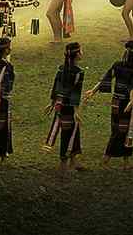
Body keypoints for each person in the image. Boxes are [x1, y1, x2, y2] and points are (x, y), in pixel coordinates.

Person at [86, 40, 133, 168]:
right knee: (124, 131)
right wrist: (131, 101)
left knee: (118, 130)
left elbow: (106, 78)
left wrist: (93, 90)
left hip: (115, 102)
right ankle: (106, 159)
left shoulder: (118, 65)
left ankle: (126, 162)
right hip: (125, 102)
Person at [44, 42, 86, 170]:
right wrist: (76, 111)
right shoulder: (78, 72)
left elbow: (55, 87)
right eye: (81, 51)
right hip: (69, 108)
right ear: (77, 54)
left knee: (72, 131)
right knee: (68, 133)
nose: (82, 53)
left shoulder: (61, 69)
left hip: (60, 105)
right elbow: (75, 93)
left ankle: (73, 160)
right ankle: (64, 162)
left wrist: (52, 103)